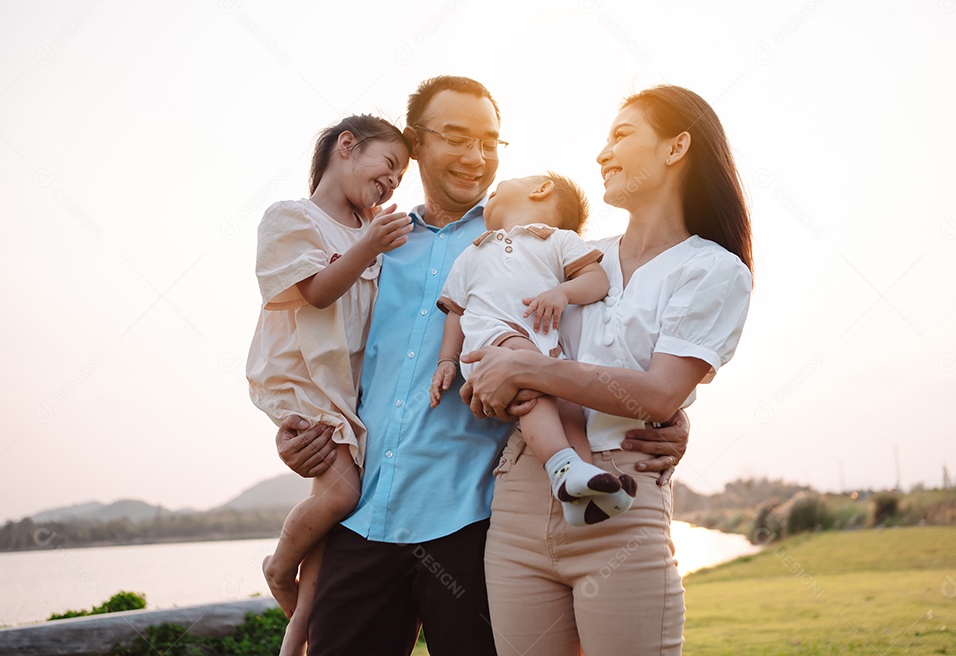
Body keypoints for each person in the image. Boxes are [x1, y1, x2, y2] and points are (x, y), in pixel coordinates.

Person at [272, 76, 691, 656]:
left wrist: (676, 413)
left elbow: (616, 336)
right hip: (363, 517)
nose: (477, 158)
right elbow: (312, 350)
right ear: (415, 143)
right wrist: (294, 429)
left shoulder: (535, 239)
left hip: (476, 526)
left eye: (491, 143)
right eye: (457, 137)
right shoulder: (369, 241)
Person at [461, 85, 753, 655]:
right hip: (521, 495)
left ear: (676, 148)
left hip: (622, 497)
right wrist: (488, 383)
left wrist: (525, 369)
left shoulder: (713, 270)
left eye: (622, 135)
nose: (602, 153)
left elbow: (661, 394)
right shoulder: (570, 254)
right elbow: (503, 344)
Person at [245, 114, 413, 654]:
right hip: (302, 378)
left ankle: (298, 636)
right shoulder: (294, 217)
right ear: (347, 146)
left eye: (402, 176)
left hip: (348, 389)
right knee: (342, 493)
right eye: (388, 164)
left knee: (333, 514)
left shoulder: (373, 233)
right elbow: (316, 292)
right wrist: (370, 245)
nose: (393, 181)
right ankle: (278, 566)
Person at [431, 172, 638, 526]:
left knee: (570, 403)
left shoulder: (558, 240)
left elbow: (597, 279)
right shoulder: (473, 252)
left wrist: (563, 293)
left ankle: (584, 485)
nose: (490, 195)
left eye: (499, 188)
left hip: (543, 346)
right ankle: (560, 465)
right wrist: (446, 360)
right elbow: (456, 313)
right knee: (529, 377)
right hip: (492, 344)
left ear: (541, 189)